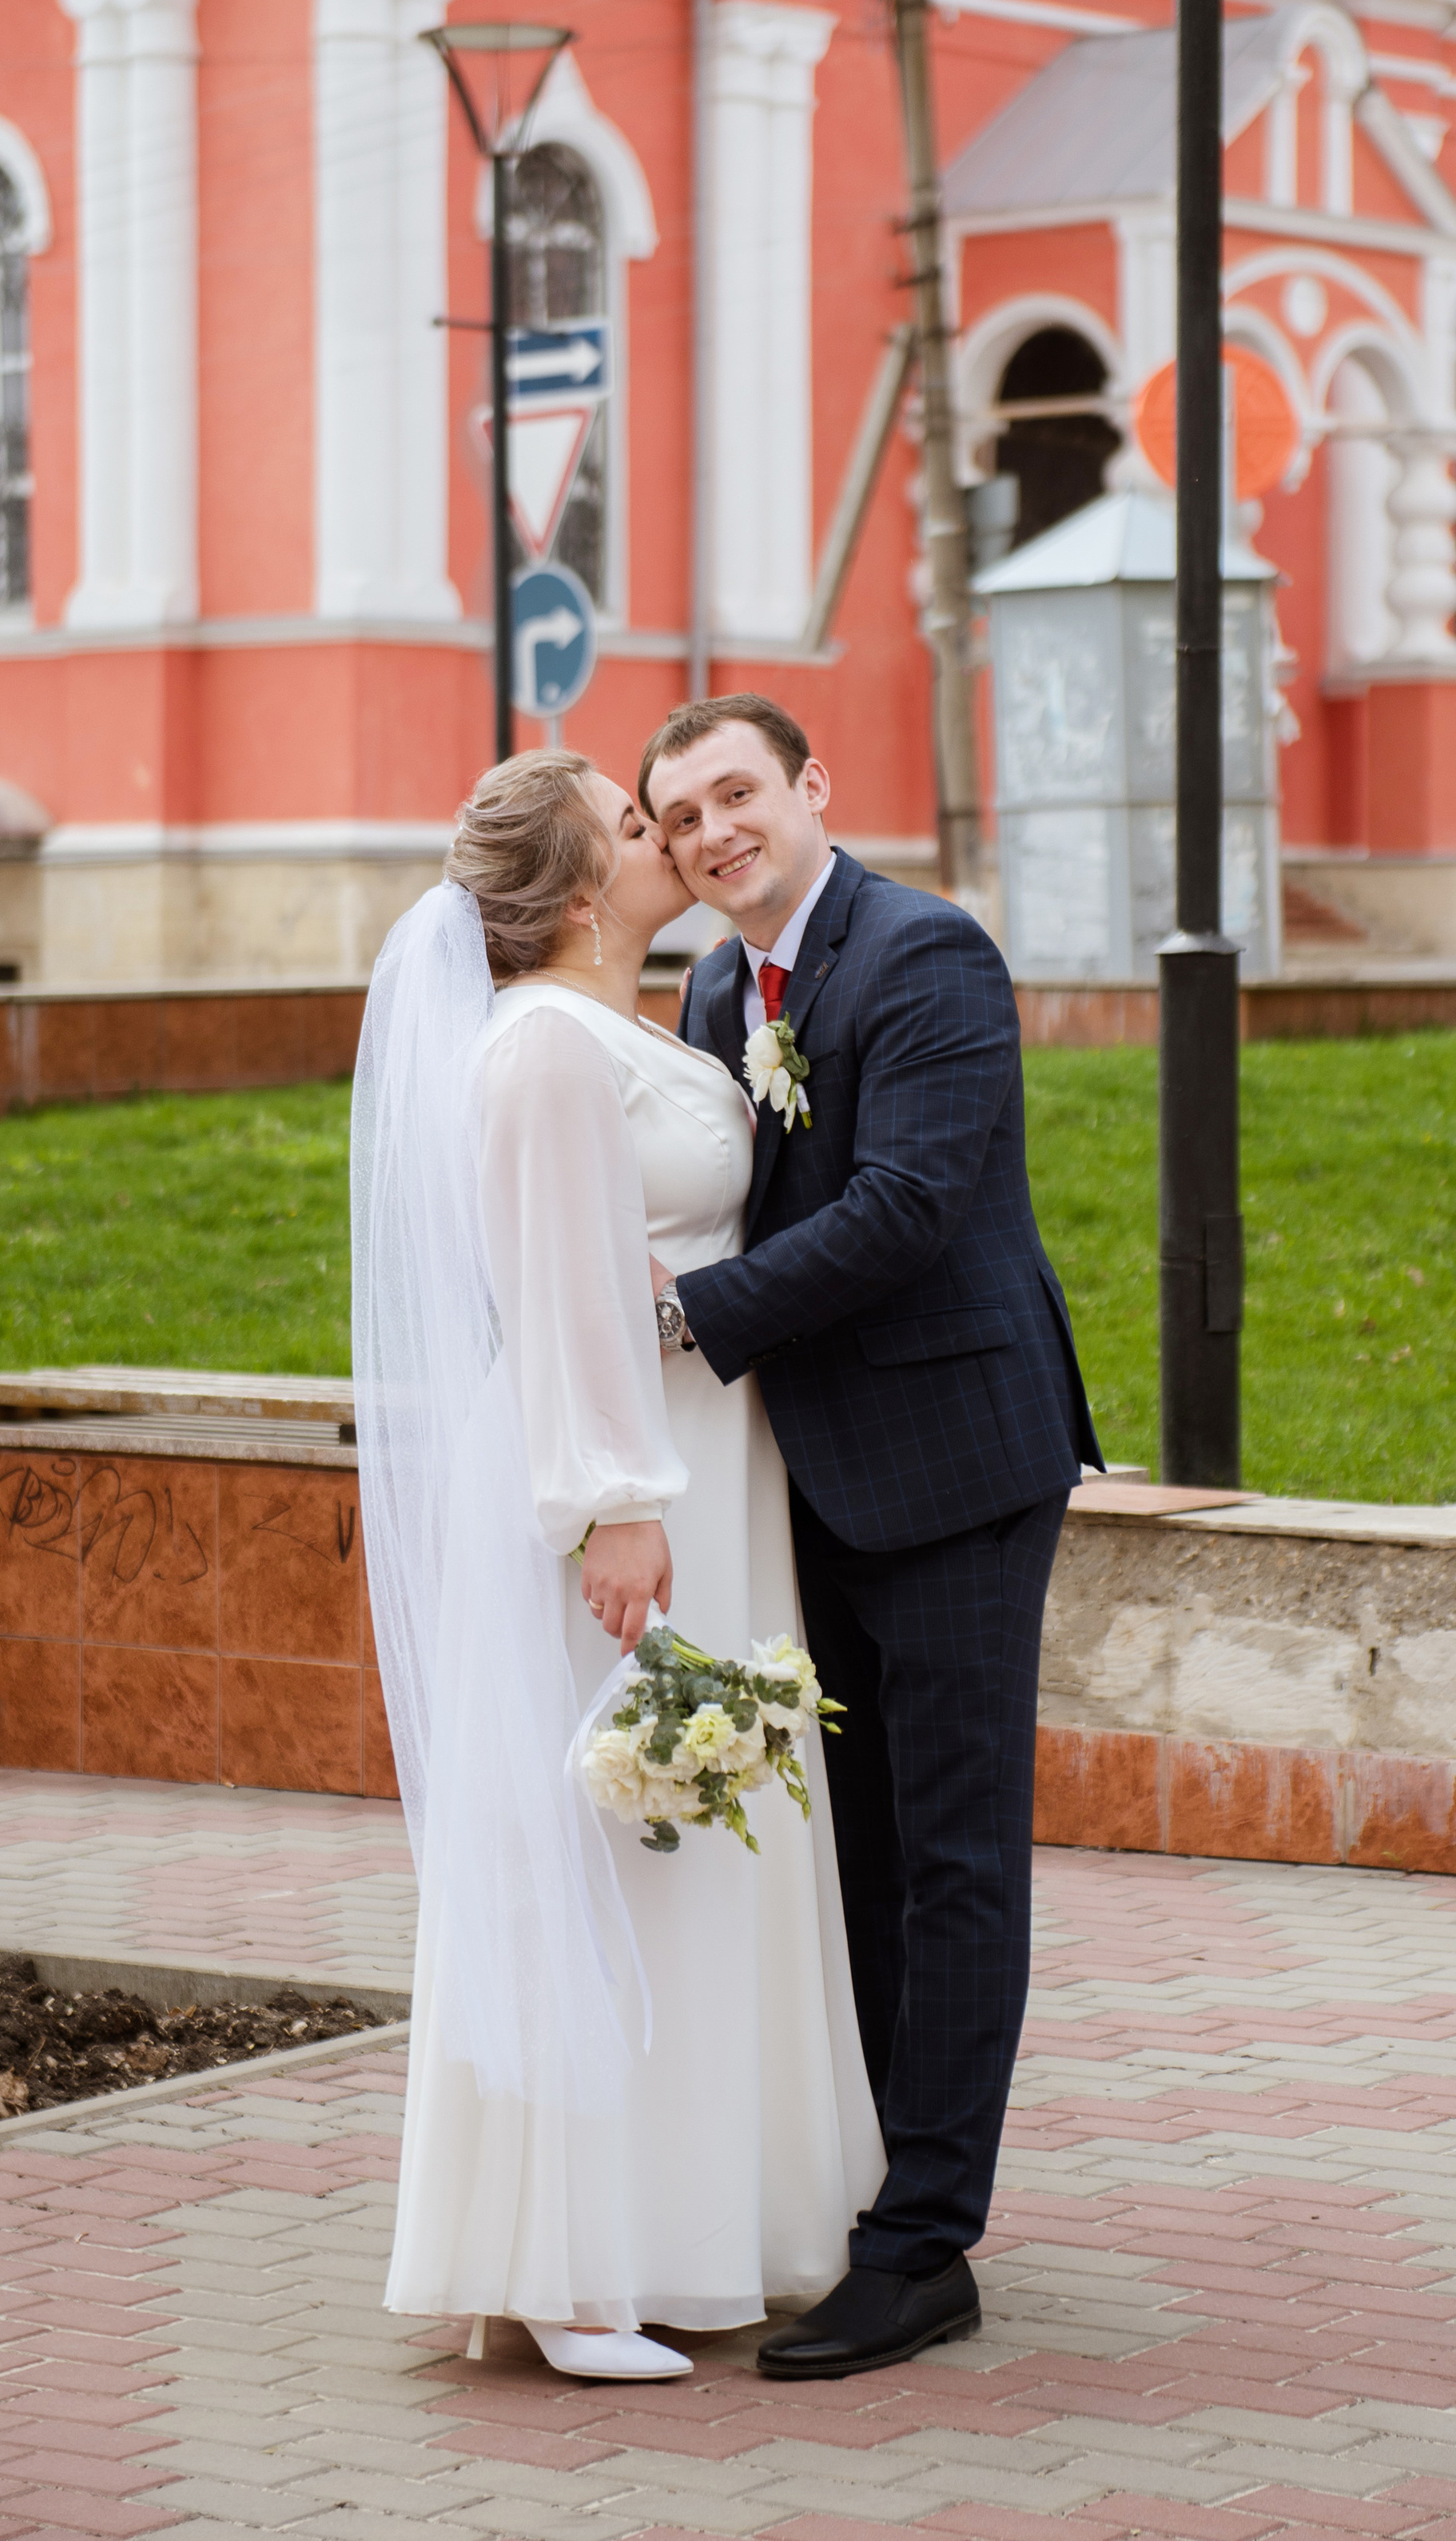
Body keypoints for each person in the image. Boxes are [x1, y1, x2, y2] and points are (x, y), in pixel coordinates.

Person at [352, 749, 883, 2385]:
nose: (675, 842)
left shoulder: (612, 1031)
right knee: (618, 1857)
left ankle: (688, 2225)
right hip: (631, 1501)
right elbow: (560, 1287)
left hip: (699, 1470)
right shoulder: (539, 1054)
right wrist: (610, 1508)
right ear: (586, 887)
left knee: (687, 1856)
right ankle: (570, 2272)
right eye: (643, 825)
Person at [638, 695, 1101, 2384]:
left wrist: (683, 1321)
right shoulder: (708, 984)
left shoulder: (927, 957)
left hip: (961, 1458)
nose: (709, 834)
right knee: (861, 1856)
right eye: (678, 815)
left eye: (735, 794)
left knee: (958, 1854)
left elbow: (902, 1210)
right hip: (808, 1472)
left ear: (812, 789)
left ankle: (923, 2249)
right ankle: (872, 2179)